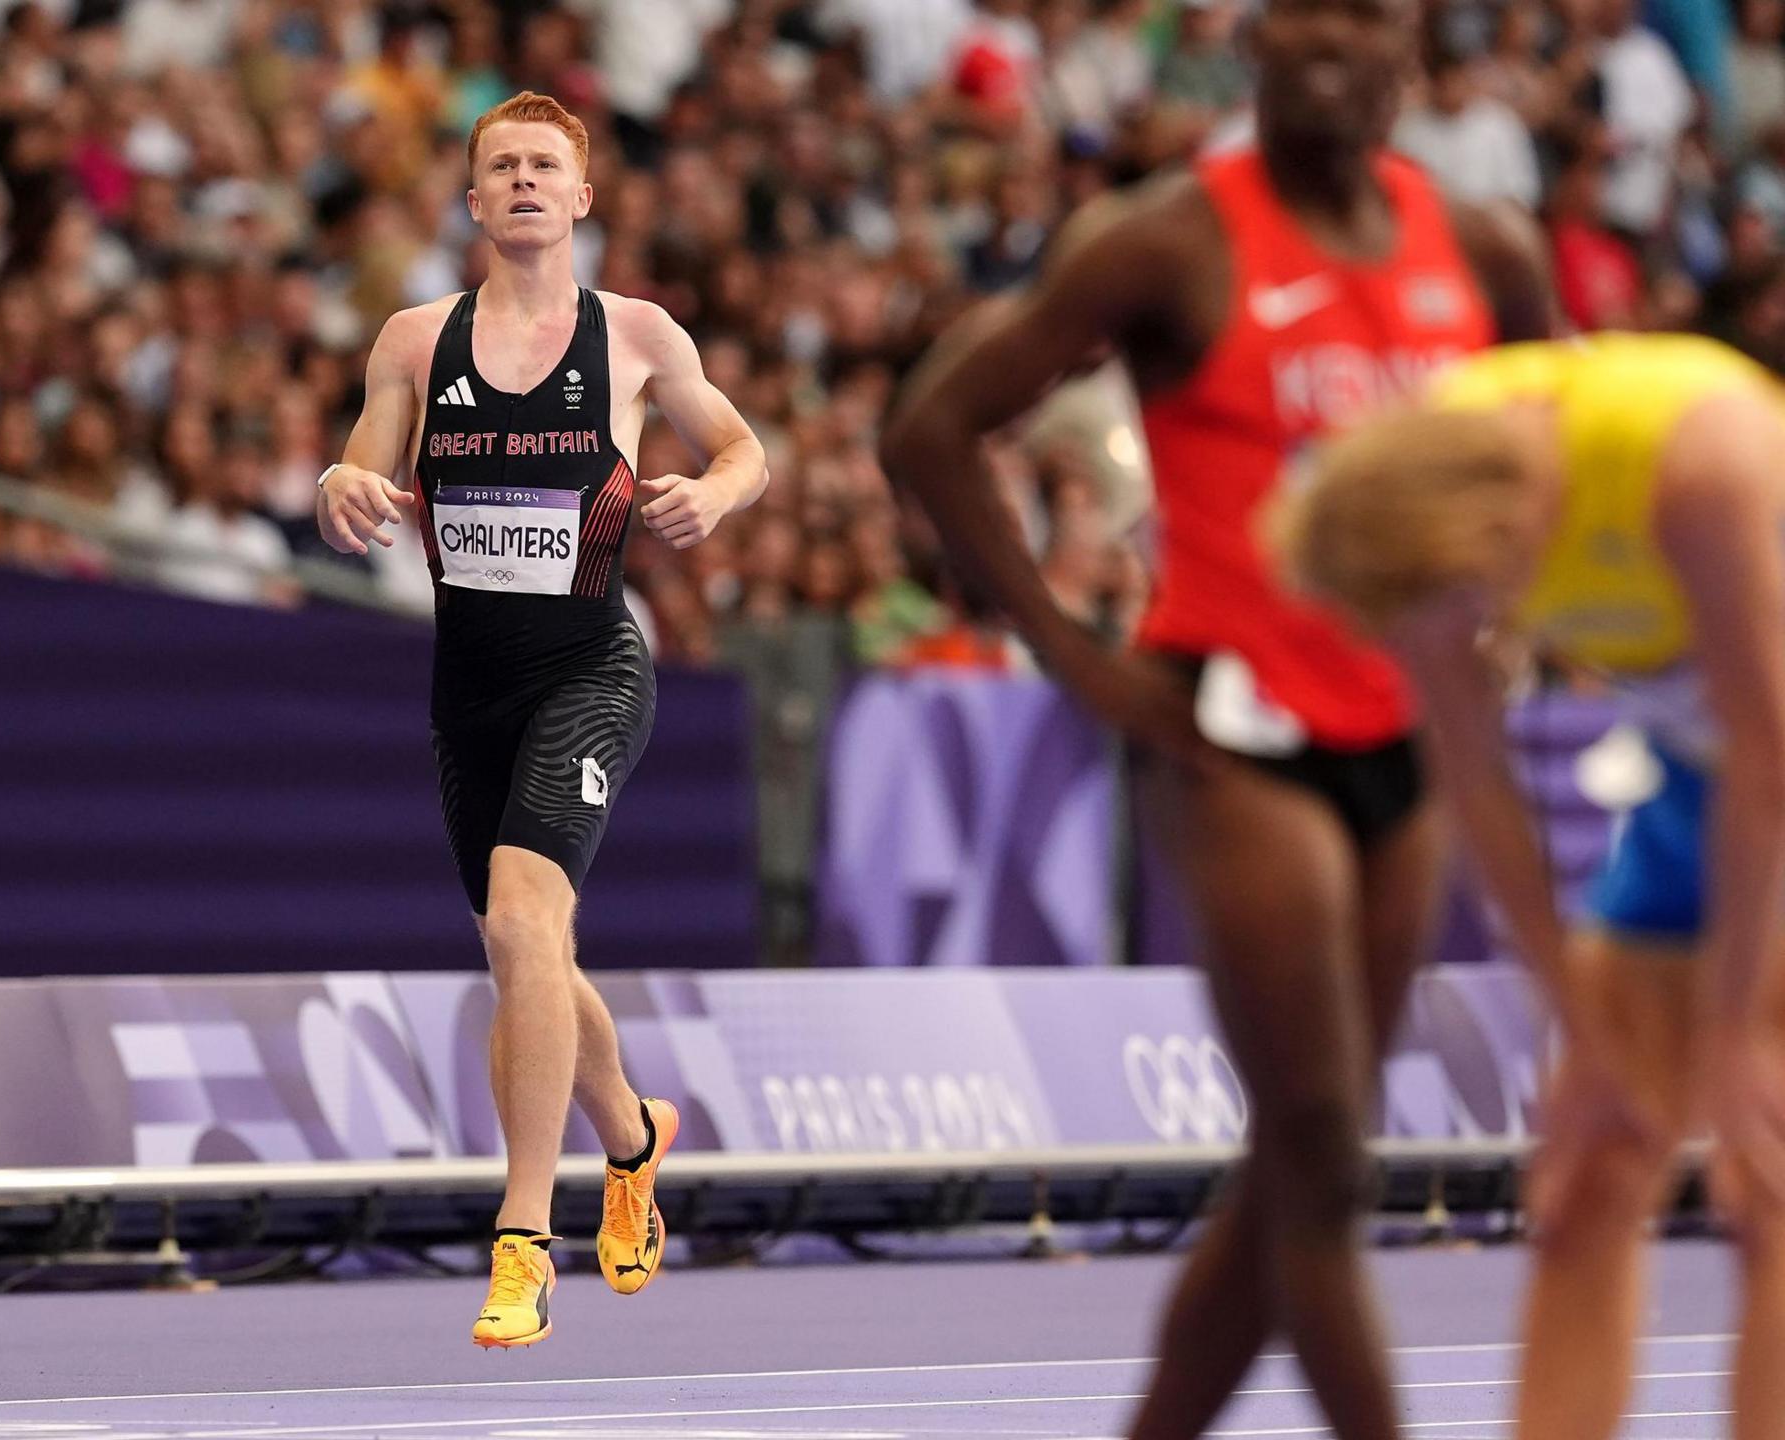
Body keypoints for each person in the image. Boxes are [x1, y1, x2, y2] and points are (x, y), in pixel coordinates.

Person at [876, 0, 1555, 1431]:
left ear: (1407, 54)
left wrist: (1508, 610)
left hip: (1401, 735)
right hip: (1232, 735)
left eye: (1364, 15)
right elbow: (933, 425)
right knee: (1318, 1142)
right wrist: (1074, 655)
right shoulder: (1166, 240)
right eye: (1301, 11)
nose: (1330, 38)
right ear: (1251, 45)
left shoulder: (1482, 249)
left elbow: (1558, 430)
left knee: (1306, 1163)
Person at [1275, 331, 1785, 1440]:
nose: (1449, 645)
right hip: (1699, 777)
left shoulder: (1701, 459)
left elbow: (1768, 760)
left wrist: (1742, 1030)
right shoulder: (1417, 492)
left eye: (1452, 617)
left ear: (1492, 543)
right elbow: (1479, 784)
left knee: (1770, 1178)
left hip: (1762, 763)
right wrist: (1582, 1031)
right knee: (1590, 1164)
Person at [317, 90, 766, 1350]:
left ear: (579, 199)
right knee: (531, 960)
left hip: (592, 670)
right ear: (472, 201)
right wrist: (340, 484)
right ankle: (632, 1138)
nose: (521, 181)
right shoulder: (413, 340)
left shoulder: (632, 335)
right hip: (470, 694)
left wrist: (714, 497)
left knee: (523, 921)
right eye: (499, 166)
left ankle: (522, 1239)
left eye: (543, 167)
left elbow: (744, 450)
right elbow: (359, 466)